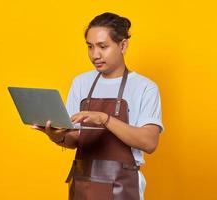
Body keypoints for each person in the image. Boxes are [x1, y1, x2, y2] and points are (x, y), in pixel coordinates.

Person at [33, 12, 164, 200]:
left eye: (103, 46)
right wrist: (57, 137)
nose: (95, 55)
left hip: (122, 186)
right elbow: (74, 139)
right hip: (83, 183)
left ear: (123, 45)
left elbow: (149, 142)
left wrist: (104, 119)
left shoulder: (145, 87)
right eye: (90, 47)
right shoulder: (81, 83)